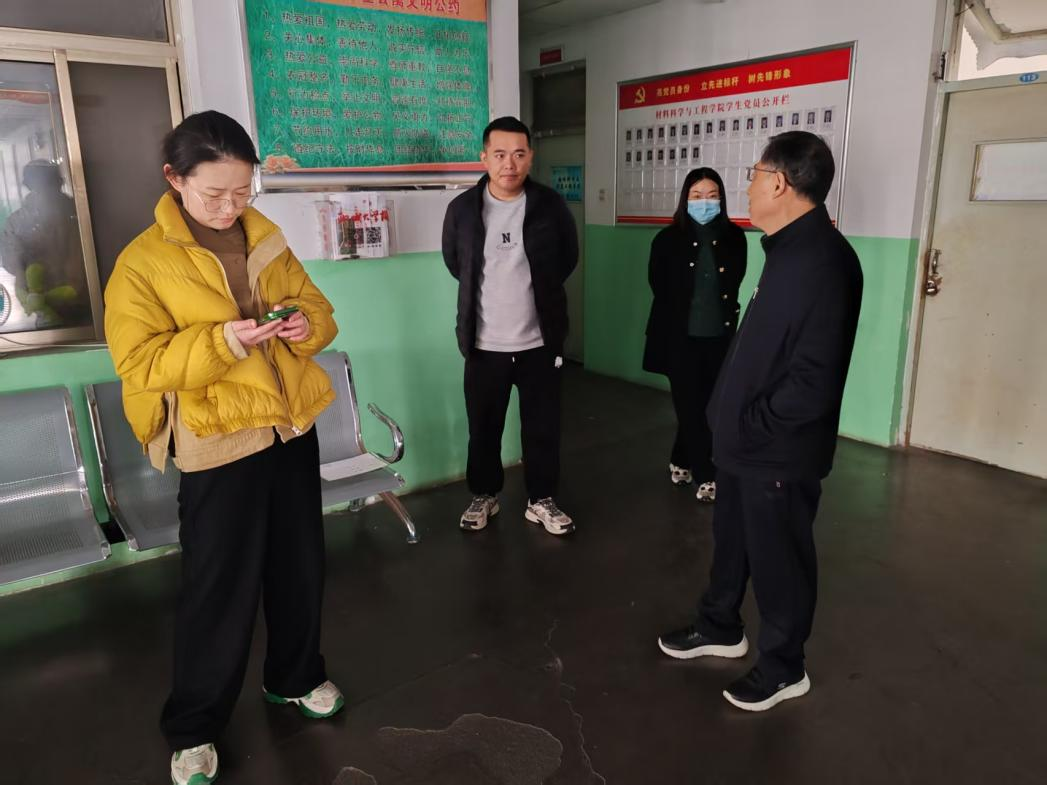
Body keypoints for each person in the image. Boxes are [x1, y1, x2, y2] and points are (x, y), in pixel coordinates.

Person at [104, 111, 342, 785]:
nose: (230, 207)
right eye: (214, 194)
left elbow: (320, 311)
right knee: (218, 586)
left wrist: (303, 326)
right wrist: (224, 342)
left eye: (242, 190)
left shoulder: (265, 238)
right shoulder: (142, 263)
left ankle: (295, 677)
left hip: (287, 426)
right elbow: (140, 363)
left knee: (299, 565)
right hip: (216, 437)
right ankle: (194, 726)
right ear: (174, 179)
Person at [657, 131, 863, 712]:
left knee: (780, 560)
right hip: (743, 444)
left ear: (779, 183)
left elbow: (813, 380)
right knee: (733, 542)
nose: (745, 187)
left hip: (778, 449)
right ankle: (720, 625)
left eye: (753, 175)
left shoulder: (825, 263)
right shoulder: (785, 249)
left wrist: (749, 423)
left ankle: (783, 667)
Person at [441, 116, 579, 536]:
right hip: (484, 345)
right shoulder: (462, 210)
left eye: (519, 154)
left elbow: (567, 258)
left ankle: (541, 499)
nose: (510, 164)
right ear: (484, 157)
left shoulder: (550, 205)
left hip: (540, 343)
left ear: (530, 157)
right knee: (484, 429)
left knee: (543, 428)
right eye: (500, 154)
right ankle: (484, 494)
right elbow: (456, 263)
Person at [642, 167, 747, 501]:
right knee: (690, 406)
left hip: (719, 338)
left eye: (712, 196)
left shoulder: (735, 237)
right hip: (679, 339)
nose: (705, 202)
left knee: (708, 405)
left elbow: (735, 282)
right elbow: (658, 285)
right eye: (697, 196)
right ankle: (707, 475)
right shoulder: (666, 239)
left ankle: (681, 458)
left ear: (722, 199)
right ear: (685, 199)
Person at [0, 159, 91, 329]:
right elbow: (12, 263)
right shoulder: (80, 212)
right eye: (40, 184)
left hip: (85, 310)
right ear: (61, 181)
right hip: (54, 310)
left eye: (46, 183)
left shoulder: (80, 213)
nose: (44, 190)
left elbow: (11, 264)